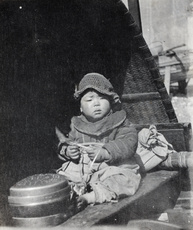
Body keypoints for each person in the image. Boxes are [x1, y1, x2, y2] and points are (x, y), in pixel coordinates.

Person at [56, 73, 141, 208]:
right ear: (80, 107)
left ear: (111, 102)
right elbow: (66, 142)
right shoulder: (76, 124)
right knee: (60, 179)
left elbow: (129, 141)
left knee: (124, 180)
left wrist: (106, 152)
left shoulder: (120, 121)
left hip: (113, 166)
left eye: (101, 98)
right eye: (89, 100)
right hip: (82, 169)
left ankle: (89, 197)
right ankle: (70, 195)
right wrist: (68, 151)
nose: (96, 103)